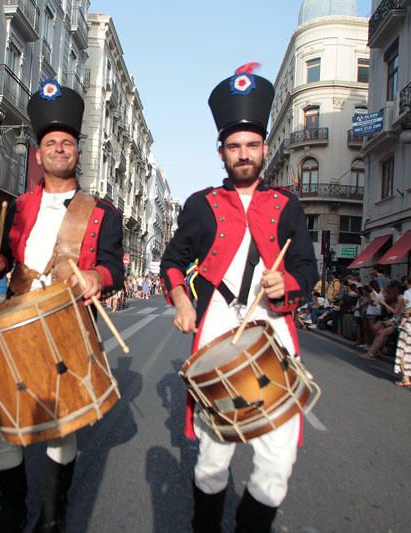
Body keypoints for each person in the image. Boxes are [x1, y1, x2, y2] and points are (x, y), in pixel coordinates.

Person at [159, 64, 318, 532]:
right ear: (221, 152)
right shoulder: (201, 203)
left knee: (277, 459)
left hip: (273, 333)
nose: (243, 155)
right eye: (234, 147)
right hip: (216, 330)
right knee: (213, 456)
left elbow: (308, 270)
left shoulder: (287, 205)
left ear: (265, 148)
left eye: (252, 145)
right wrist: (182, 300)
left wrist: (286, 284)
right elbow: (172, 260)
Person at [0, 78, 124, 532]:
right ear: (38, 155)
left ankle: (52, 514)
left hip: (68, 324)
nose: (59, 148)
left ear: (77, 153)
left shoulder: (102, 211)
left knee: (62, 427)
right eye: (50, 143)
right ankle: (11, 507)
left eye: (67, 142)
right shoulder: (18, 206)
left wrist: (99, 277)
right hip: (18, 324)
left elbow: (111, 267)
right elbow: (1, 256)